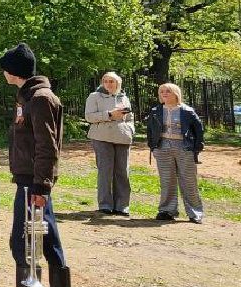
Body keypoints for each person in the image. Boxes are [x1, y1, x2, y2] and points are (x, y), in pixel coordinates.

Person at [0, 43, 72, 287]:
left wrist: (41, 185)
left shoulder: (39, 99)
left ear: (13, 71)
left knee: (24, 241)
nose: (3, 73)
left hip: (33, 185)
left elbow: (46, 146)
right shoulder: (28, 96)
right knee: (47, 238)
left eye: (5, 68)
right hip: (30, 181)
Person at [146, 82, 205, 224]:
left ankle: (195, 213)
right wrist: (153, 147)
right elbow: (150, 130)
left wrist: (196, 148)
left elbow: (199, 130)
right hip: (163, 148)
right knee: (167, 180)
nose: (164, 93)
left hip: (184, 148)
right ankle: (167, 211)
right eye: (162, 91)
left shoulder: (187, 111)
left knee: (189, 181)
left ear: (176, 94)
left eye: (168, 91)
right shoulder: (155, 110)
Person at [85, 72, 134, 216]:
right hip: (101, 137)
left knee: (122, 171)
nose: (108, 84)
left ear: (118, 83)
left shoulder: (124, 97)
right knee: (105, 171)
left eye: (111, 81)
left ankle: (122, 205)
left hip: (122, 137)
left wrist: (130, 129)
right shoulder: (94, 96)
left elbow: (130, 117)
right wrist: (109, 115)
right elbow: (89, 117)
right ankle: (105, 204)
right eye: (105, 81)